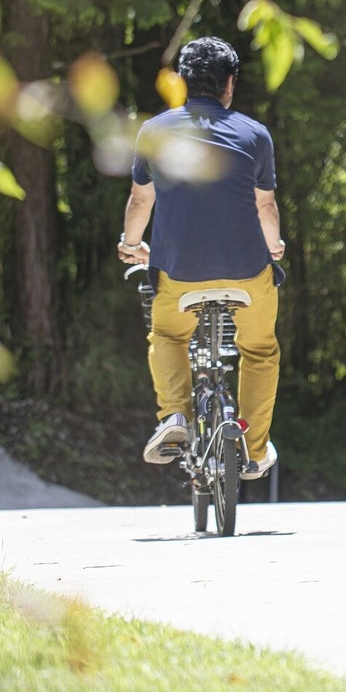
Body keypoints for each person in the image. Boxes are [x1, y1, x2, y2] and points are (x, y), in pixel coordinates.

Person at [117, 36, 284, 481]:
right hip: (249, 273)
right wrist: (275, 244)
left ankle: (174, 416)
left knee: (168, 336)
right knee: (260, 350)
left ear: (183, 83)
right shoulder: (255, 134)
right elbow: (265, 206)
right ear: (230, 83)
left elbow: (140, 200)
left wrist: (131, 243)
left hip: (180, 273)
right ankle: (253, 448)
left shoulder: (154, 132)